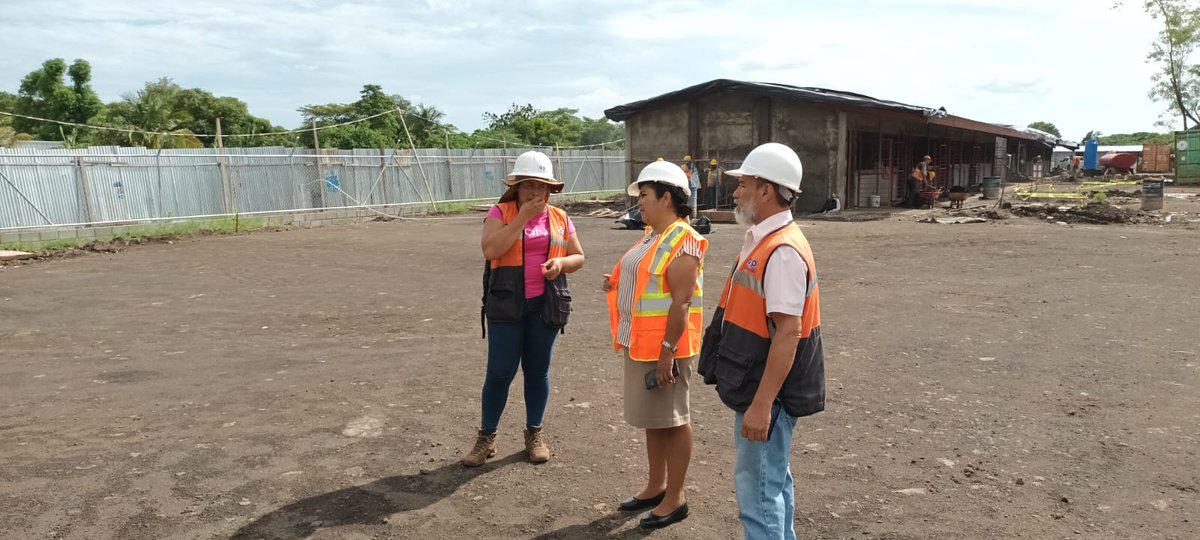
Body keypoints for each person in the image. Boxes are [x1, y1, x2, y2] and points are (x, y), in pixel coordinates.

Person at [696, 142, 825, 540]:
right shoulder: (765, 240)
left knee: (758, 497)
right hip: (761, 386)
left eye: (745, 184)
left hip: (769, 394)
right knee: (773, 481)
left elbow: (788, 333)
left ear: (767, 190)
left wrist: (762, 406)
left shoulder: (782, 251)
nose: (735, 193)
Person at [603, 160, 708, 530]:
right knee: (655, 421)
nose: (639, 203)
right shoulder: (652, 234)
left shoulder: (683, 239)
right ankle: (656, 486)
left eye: (644, 195)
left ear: (666, 196)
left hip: (667, 348)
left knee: (674, 420)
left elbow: (680, 301)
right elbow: (648, 280)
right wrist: (616, 284)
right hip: (642, 344)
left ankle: (675, 498)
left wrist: (668, 352)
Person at [464, 150, 586, 467]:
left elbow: (579, 257)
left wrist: (561, 263)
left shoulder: (560, 218)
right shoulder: (500, 212)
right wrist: (522, 219)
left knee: (537, 371)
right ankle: (486, 437)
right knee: (500, 372)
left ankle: (535, 433)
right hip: (506, 304)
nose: (535, 191)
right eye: (528, 184)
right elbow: (491, 249)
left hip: (545, 305)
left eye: (541, 185)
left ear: (550, 189)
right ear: (517, 186)